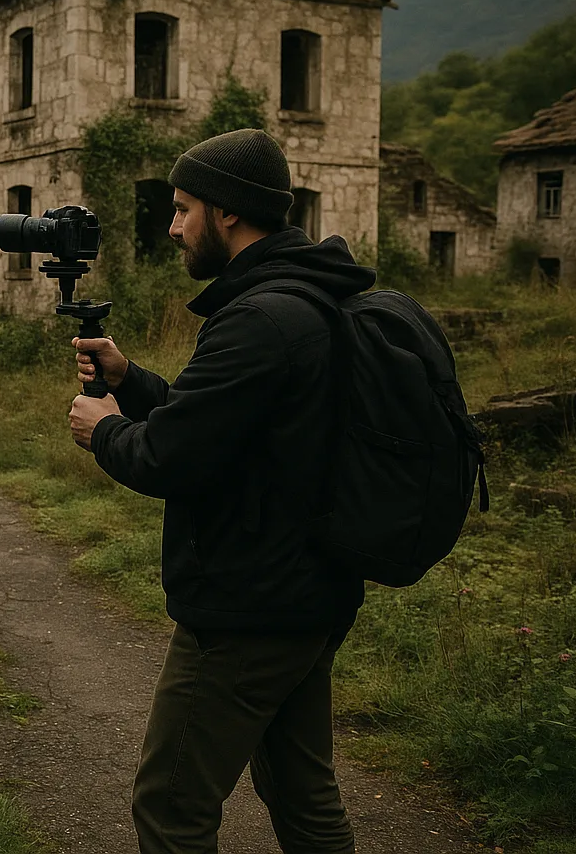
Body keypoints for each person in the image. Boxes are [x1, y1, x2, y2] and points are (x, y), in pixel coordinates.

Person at [67, 129, 375, 854]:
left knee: (171, 806)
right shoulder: (307, 295)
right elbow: (228, 427)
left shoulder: (257, 319)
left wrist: (101, 429)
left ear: (227, 212)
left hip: (248, 608)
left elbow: (172, 456)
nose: (174, 228)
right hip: (310, 591)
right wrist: (129, 380)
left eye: (182, 210)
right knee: (301, 793)